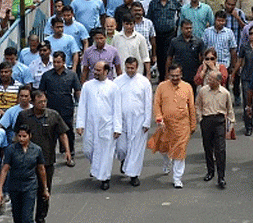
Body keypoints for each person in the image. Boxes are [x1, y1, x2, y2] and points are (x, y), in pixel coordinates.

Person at [14, 90, 70, 223]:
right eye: (40, 102)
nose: (43, 104)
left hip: (47, 160)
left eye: (45, 101)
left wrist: (67, 151)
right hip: (27, 162)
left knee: (44, 191)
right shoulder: (23, 116)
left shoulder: (53, 115)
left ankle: (40, 217)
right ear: (32, 102)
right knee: (25, 192)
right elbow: (17, 135)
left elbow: (62, 134)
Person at [147, 64, 196, 188]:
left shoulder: (187, 87)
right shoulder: (162, 87)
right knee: (163, 148)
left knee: (180, 151)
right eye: (172, 76)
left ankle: (177, 178)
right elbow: (157, 104)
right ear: (168, 75)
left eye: (177, 76)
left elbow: (191, 107)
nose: (175, 78)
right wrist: (159, 119)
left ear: (181, 75)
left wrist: (193, 124)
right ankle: (166, 160)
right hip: (165, 125)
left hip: (182, 125)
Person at [76, 62, 122, 190]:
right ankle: (96, 167)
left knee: (106, 153)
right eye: (94, 70)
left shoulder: (113, 87)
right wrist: (80, 124)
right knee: (88, 150)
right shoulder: (87, 86)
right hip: (90, 124)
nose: (95, 72)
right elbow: (82, 106)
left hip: (107, 125)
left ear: (106, 71)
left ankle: (105, 178)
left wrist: (117, 127)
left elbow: (117, 108)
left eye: (98, 70)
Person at [0, 124, 49, 223]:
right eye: (19, 136)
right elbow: (5, 169)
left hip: (30, 187)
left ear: (30, 136)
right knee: (17, 216)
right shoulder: (11, 150)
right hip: (15, 187)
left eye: (24, 136)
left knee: (27, 217)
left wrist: (45, 188)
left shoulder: (37, 150)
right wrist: (0, 190)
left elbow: (41, 169)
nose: (21, 139)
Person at [115, 57, 152, 187]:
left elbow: (148, 103)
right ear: (125, 67)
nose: (130, 70)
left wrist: (147, 121)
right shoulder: (118, 81)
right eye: (128, 68)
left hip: (138, 120)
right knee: (121, 148)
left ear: (137, 68)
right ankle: (123, 161)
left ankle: (134, 175)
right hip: (122, 120)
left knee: (136, 149)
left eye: (133, 68)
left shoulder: (144, 82)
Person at [195, 71, 234, 189]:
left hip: (219, 121)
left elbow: (230, 110)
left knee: (220, 149)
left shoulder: (225, 93)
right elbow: (198, 105)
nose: (208, 81)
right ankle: (210, 171)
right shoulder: (203, 91)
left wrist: (230, 125)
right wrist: (200, 118)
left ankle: (221, 177)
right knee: (207, 148)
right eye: (208, 78)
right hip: (206, 120)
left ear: (218, 81)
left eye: (211, 79)